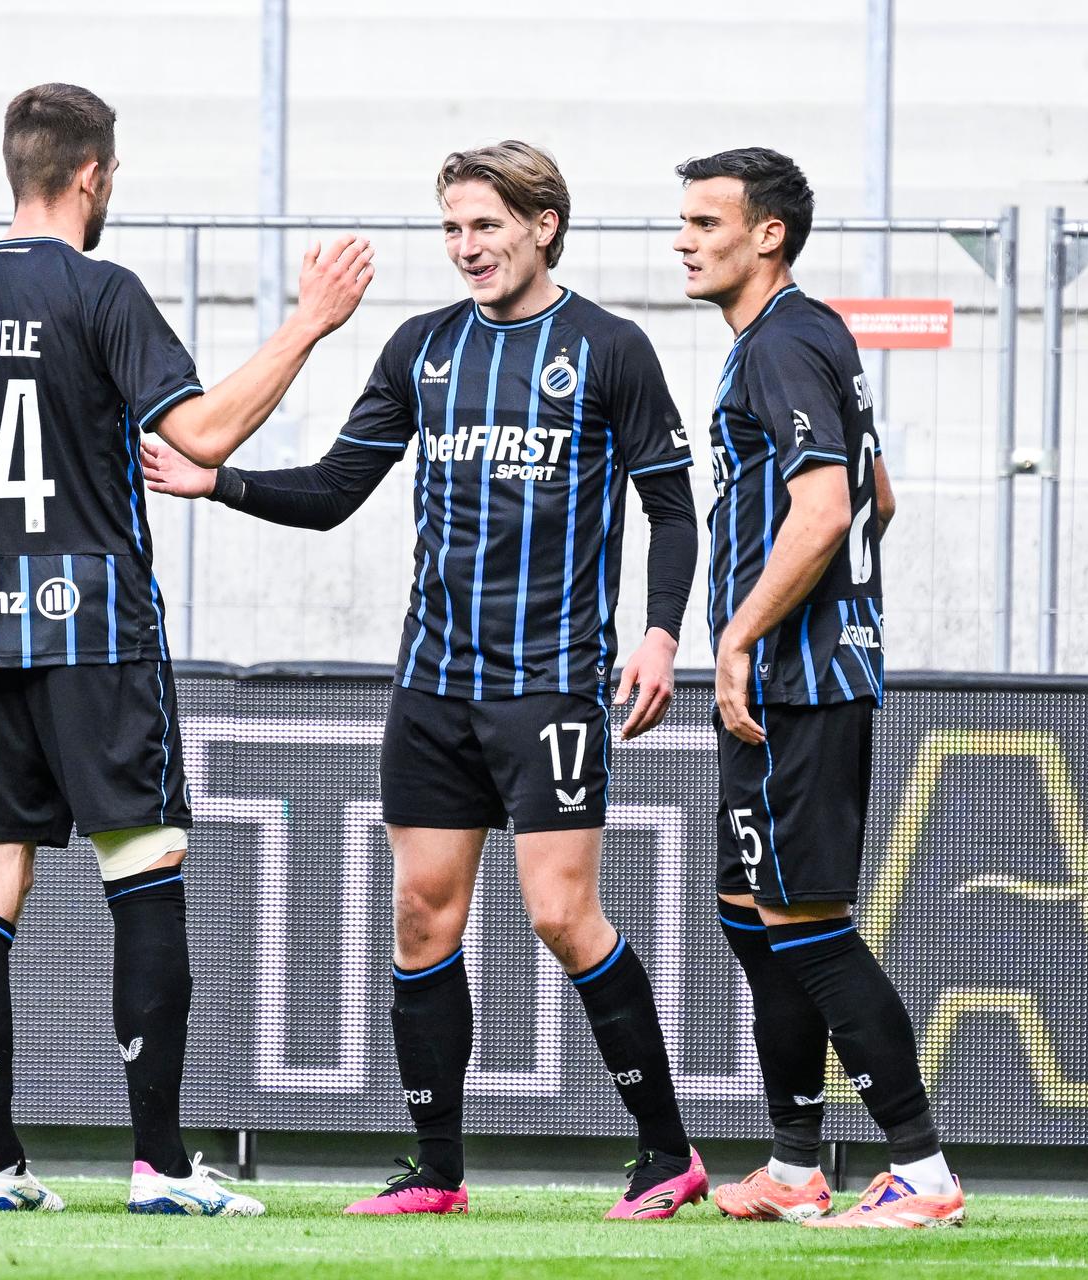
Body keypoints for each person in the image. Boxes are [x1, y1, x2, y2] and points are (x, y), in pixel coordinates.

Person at [143, 141, 705, 1220]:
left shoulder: (609, 348)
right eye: (451, 228)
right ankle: (438, 1169)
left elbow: (673, 508)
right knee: (421, 919)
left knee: (560, 914)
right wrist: (222, 482)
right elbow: (340, 487)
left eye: (486, 225)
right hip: (433, 686)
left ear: (544, 224)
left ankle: (667, 1150)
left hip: (550, 687)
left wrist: (661, 634)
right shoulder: (422, 350)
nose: (466, 247)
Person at [0, 82, 371, 1215]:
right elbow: (194, 434)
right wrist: (308, 322)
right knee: (143, 873)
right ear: (94, 175)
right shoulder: (100, 290)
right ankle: (159, 1163)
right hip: (95, 630)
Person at [673, 146, 964, 1228]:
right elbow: (880, 492)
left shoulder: (782, 344)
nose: (684, 239)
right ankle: (796, 1161)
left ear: (768, 235)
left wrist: (745, 634)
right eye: (685, 220)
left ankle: (922, 1171)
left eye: (707, 222)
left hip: (794, 682)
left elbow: (830, 506)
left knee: (807, 924)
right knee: (750, 915)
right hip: (798, 674)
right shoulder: (808, 333)